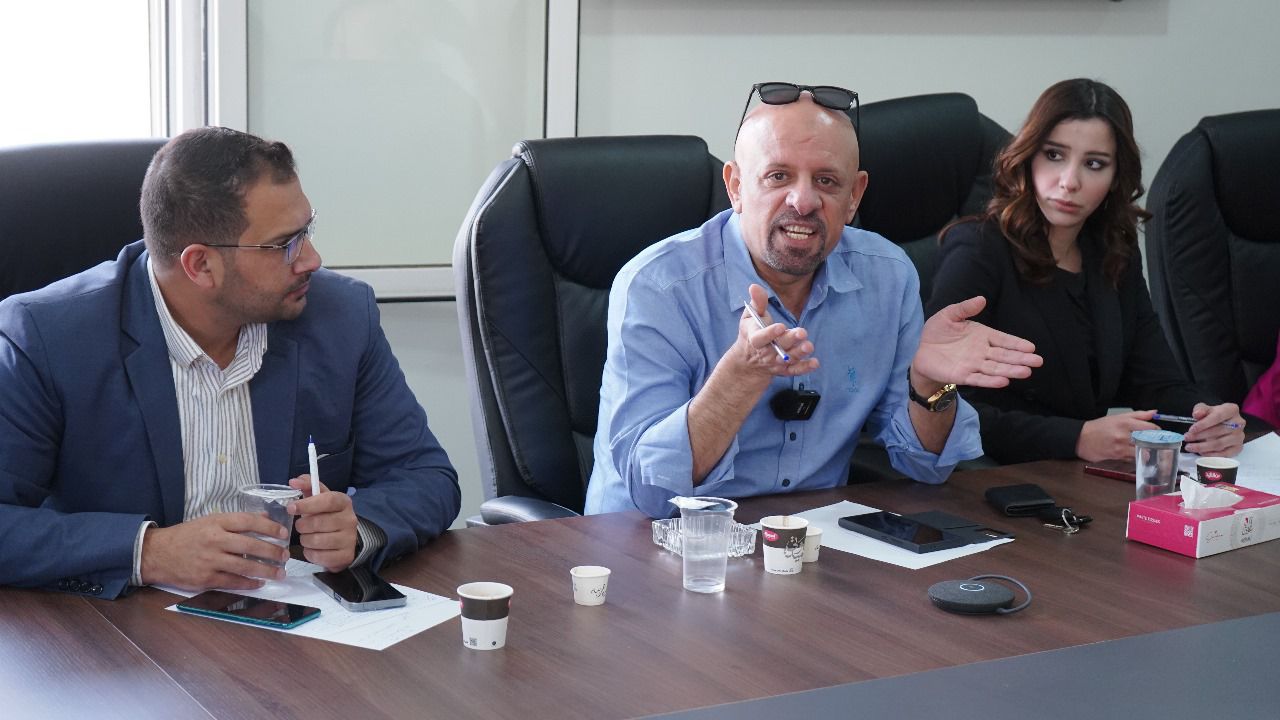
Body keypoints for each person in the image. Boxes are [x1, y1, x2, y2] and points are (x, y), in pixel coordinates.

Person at [0, 127, 460, 598]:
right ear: (200, 265)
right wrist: (148, 551)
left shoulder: (341, 317)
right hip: (122, 625)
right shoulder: (46, 337)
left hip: (294, 614)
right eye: (285, 244)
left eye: (307, 230)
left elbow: (426, 477)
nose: (312, 259)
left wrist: (357, 526)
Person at [584, 82, 1043, 518]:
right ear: (736, 186)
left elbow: (924, 466)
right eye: (778, 176)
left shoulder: (888, 277)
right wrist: (739, 379)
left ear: (854, 195)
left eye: (826, 181)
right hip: (649, 546)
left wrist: (929, 386)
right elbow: (653, 495)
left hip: (807, 544)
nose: (803, 202)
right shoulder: (658, 286)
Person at [926, 79, 1245, 465]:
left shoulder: (1113, 251)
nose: (1070, 182)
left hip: (1078, 476)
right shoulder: (978, 250)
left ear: (1116, 177)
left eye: (1094, 164)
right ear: (1028, 157)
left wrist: (1207, 418)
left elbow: (1155, 381)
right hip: (987, 474)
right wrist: (1075, 439)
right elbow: (941, 409)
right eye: (1054, 155)